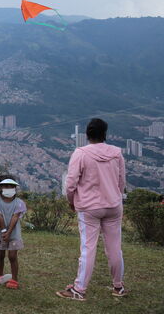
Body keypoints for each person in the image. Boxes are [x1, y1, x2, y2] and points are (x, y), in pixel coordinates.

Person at [57, 118, 127, 301]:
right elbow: (121, 181)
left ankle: (79, 289)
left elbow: (70, 183)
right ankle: (118, 286)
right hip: (113, 205)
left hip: (89, 207)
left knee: (88, 248)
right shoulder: (116, 153)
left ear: (87, 135)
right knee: (114, 248)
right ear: (105, 134)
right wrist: (116, 197)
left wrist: (72, 201)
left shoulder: (80, 154)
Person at [0, 177, 27, 289]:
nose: (8, 188)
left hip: (14, 233)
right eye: (6, 186)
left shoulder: (19, 203)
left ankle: (14, 279)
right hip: (0, 232)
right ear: (0, 188)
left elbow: (15, 217)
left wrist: (8, 232)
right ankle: (0, 275)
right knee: (0, 254)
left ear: (15, 188)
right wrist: (4, 231)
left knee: (12, 255)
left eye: (11, 186)